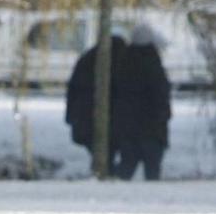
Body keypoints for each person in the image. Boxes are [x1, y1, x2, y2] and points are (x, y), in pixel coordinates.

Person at [112, 24, 172, 180]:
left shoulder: (123, 63)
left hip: (129, 128)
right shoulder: (154, 64)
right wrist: (163, 116)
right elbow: (161, 95)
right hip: (152, 129)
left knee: (127, 166)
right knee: (152, 170)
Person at [65, 33, 127, 175]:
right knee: (108, 152)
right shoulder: (119, 62)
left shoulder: (87, 60)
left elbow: (73, 90)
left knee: (101, 152)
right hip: (106, 121)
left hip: (84, 119)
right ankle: (106, 173)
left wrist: (70, 116)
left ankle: (103, 172)